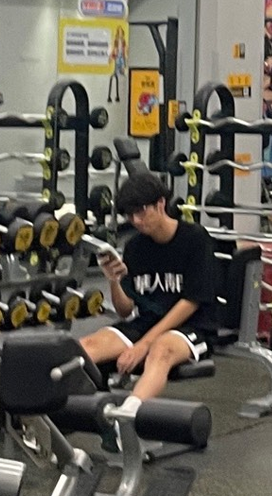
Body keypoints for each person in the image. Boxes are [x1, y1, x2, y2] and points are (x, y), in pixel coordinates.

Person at [86, 172, 222, 403]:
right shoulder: (134, 247)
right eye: (130, 215)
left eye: (141, 212)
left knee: (160, 350)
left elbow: (190, 302)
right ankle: (65, 411)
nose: (136, 221)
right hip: (146, 323)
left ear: (160, 204)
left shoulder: (195, 239)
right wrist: (113, 280)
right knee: (86, 347)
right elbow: (125, 310)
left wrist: (143, 345)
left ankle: (127, 414)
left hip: (192, 325)